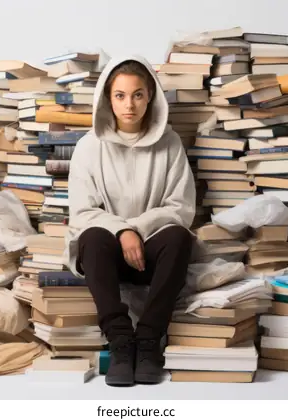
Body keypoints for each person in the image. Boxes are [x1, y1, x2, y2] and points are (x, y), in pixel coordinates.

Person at [63, 55, 197, 386]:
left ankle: (149, 343)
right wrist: (121, 230)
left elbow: (180, 206)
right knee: (92, 237)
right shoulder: (87, 148)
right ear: (108, 98)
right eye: (120, 95)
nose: (129, 105)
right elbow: (82, 212)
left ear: (150, 96)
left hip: (149, 256)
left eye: (137, 94)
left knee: (179, 237)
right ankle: (121, 343)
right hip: (105, 257)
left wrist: (136, 229)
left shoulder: (170, 144)